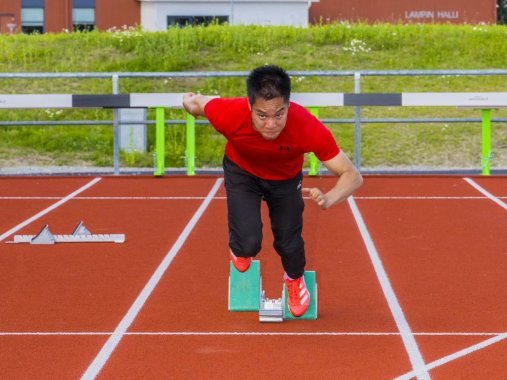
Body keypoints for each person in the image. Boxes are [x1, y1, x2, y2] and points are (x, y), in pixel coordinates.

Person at [182, 65, 362, 317]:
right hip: (242, 173)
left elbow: (352, 175)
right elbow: (196, 105)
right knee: (249, 242)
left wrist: (330, 197)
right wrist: (187, 99)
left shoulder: (306, 126)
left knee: (289, 242)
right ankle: (240, 249)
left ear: (288, 106)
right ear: (249, 107)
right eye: (262, 115)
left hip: (285, 181)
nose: (270, 124)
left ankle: (294, 279)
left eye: (279, 114)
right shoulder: (228, 112)